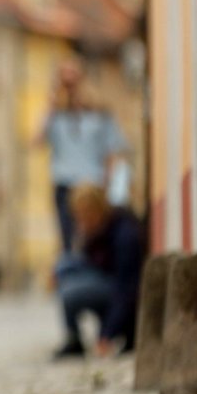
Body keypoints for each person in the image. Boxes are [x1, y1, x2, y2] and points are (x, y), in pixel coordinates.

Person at [38, 59, 128, 255]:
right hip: (64, 184)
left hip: (92, 184)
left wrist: (110, 188)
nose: (70, 88)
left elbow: (112, 152)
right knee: (68, 240)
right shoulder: (57, 116)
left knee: (93, 238)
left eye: (74, 81)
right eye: (65, 82)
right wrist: (50, 105)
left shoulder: (100, 114)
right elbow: (38, 140)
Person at [53, 184, 143, 359]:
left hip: (120, 292)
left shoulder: (124, 234)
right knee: (63, 267)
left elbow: (126, 288)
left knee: (70, 292)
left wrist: (106, 335)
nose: (81, 221)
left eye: (84, 215)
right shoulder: (97, 232)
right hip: (106, 279)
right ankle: (73, 338)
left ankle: (97, 335)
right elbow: (87, 261)